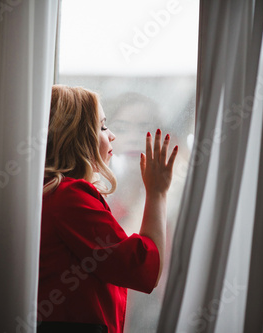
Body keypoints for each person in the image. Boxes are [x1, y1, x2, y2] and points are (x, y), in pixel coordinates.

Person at [37, 85, 178, 333]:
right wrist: (157, 193)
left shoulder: (51, 193)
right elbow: (143, 271)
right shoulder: (70, 197)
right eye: (103, 127)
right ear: (77, 137)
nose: (112, 136)